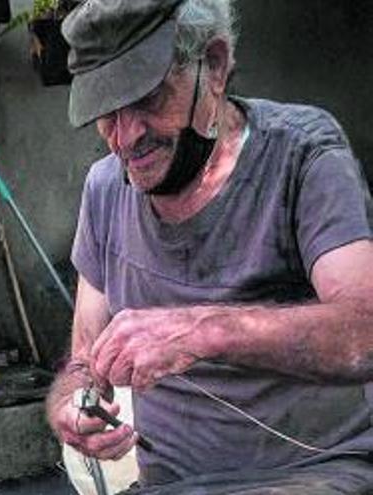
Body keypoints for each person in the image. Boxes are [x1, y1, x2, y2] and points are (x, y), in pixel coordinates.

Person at [47, 0, 373, 493]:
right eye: (106, 113)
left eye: (150, 98)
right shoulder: (105, 189)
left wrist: (201, 331)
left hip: (313, 473)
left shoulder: (300, 155)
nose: (125, 136)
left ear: (214, 66)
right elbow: (82, 361)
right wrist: (73, 407)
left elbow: (364, 332)